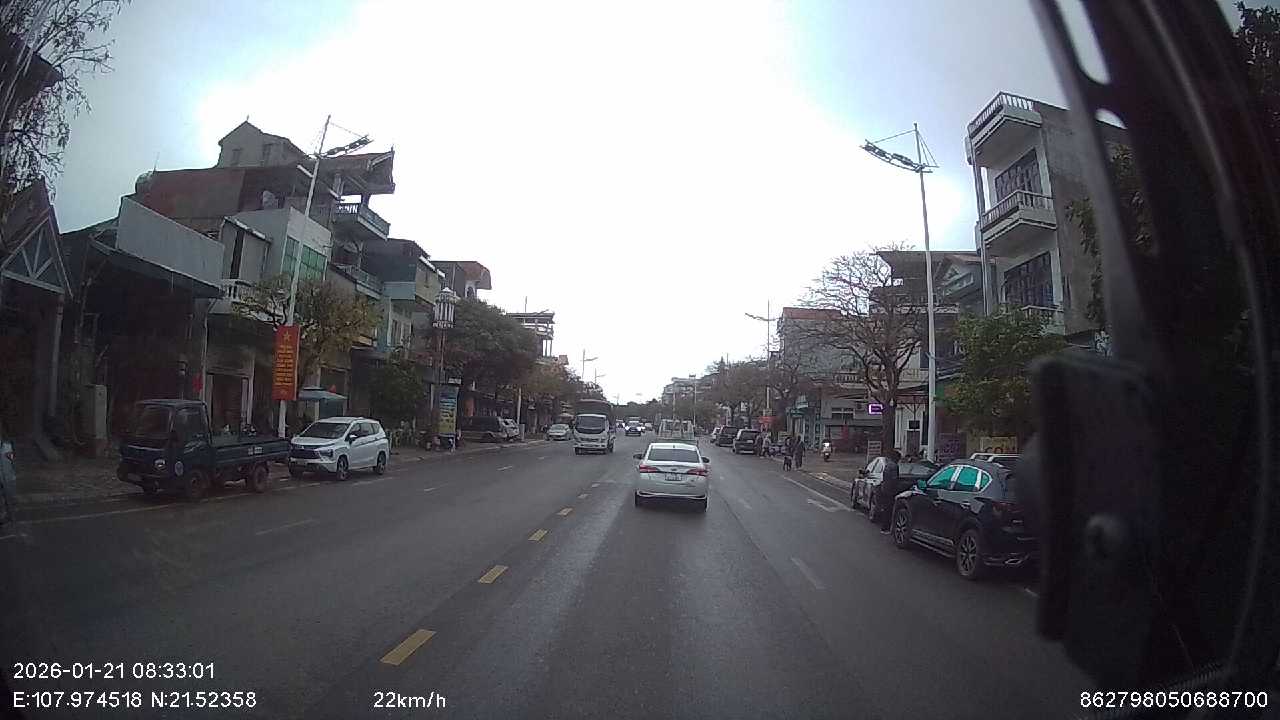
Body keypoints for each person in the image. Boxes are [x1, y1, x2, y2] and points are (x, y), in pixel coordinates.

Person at [876, 449, 902, 533]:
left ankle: (884, 527)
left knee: (886, 509)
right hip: (891, 491)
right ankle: (887, 527)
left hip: (885, 489)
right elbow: (894, 479)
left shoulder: (887, 465)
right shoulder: (894, 466)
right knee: (889, 509)